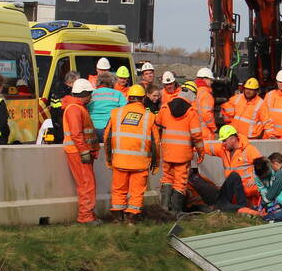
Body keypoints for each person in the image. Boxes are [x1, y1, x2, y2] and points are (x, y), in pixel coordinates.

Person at [105, 84, 160, 224]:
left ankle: (118, 217)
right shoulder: (150, 117)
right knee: (137, 192)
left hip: (119, 161)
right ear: (142, 100)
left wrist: (109, 160)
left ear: (128, 98)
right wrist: (156, 164)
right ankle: (132, 218)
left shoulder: (116, 113)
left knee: (118, 190)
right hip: (140, 163)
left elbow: (107, 139)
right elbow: (156, 143)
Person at [156, 95, 205, 214]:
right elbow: (196, 135)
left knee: (167, 177)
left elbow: (157, 125)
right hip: (183, 154)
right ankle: (175, 210)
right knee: (180, 181)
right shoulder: (191, 112)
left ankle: (164, 207)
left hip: (167, 152)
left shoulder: (165, 108)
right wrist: (200, 152)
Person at [63, 79, 101, 225]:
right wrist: (84, 151)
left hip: (78, 151)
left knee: (86, 183)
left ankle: (88, 214)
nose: (91, 97)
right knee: (86, 184)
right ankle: (86, 217)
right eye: (89, 94)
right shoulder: (74, 109)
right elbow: (76, 133)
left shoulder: (76, 107)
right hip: (78, 152)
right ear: (84, 94)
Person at [206, 124, 262, 211]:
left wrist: (256, 177)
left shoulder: (248, 150)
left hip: (247, 190)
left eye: (224, 140)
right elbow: (207, 148)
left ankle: (245, 209)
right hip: (232, 190)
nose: (223, 143)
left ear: (233, 138)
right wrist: (192, 146)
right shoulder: (223, 149)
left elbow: (263, 165)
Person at [194, 67, 217, 140]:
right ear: (205, 79)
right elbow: (206, 114)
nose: (211, 82)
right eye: (210, 80)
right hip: (205, 133)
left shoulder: (195, 91)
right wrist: (214, 128)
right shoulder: (206, 94)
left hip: (195, 130)